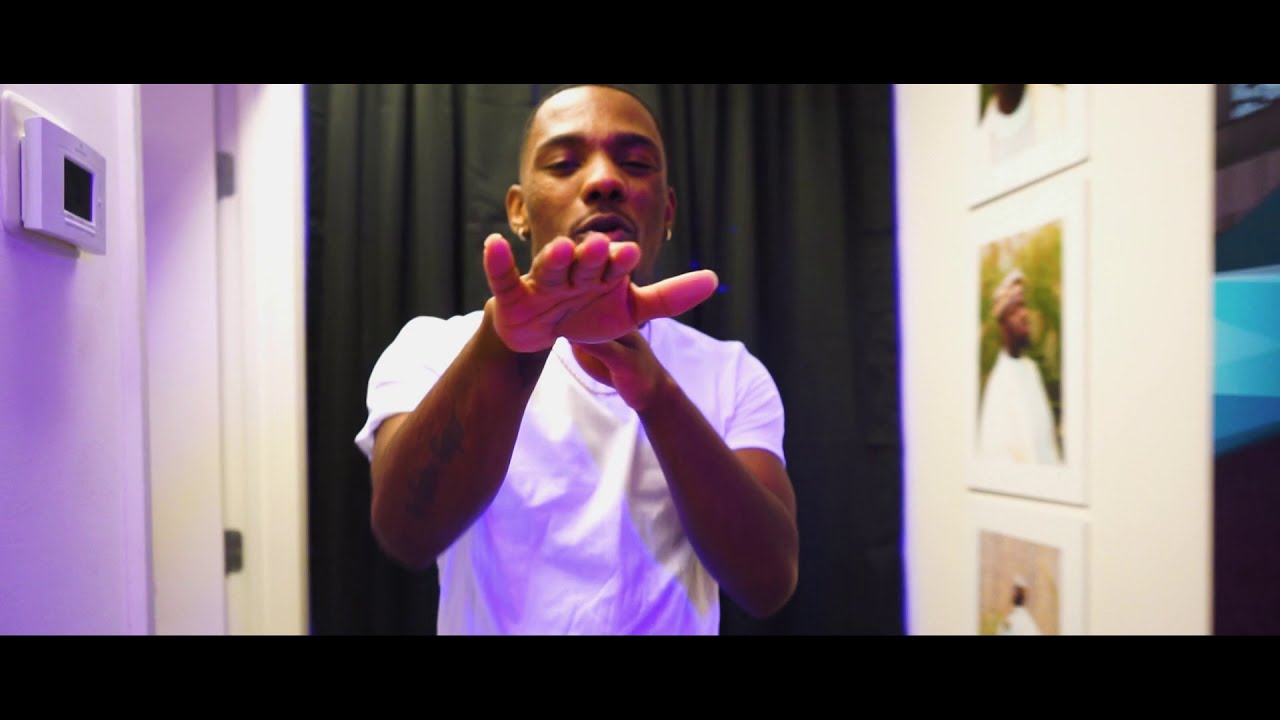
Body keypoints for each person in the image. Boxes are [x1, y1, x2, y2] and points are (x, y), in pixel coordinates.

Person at [354, 84, 798, 634]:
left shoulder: (731, 373)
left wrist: (656, 393)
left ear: (667, 210)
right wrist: (510, 346)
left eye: (635, 163)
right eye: (565, 163)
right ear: (518, 210)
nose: (604, 181)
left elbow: (767, 582)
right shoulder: (433, 350)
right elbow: (407, 534)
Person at [977, 267, 1062, 464]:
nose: (1025, 315)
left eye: (1024, 306)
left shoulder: (1031, 370)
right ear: (1003, 321)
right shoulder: (999, 386)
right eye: (1016, 308)